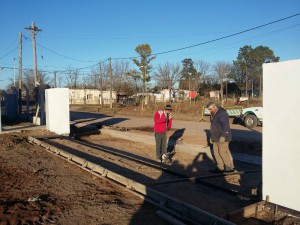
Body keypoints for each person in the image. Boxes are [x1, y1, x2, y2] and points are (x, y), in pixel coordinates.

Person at [206, 102, 236, 173]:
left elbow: (226, 126)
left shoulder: (222, 114)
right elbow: (214, 126)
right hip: (215, 137)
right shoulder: (213, 114)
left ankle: (229, 167)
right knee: (216, 152)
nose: (209, 111)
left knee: (222, 152)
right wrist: (211, 136)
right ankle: (220, 167)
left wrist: (223, 136)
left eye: (210, 109)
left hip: (223, 137)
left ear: (215, 107)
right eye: (208, 109)